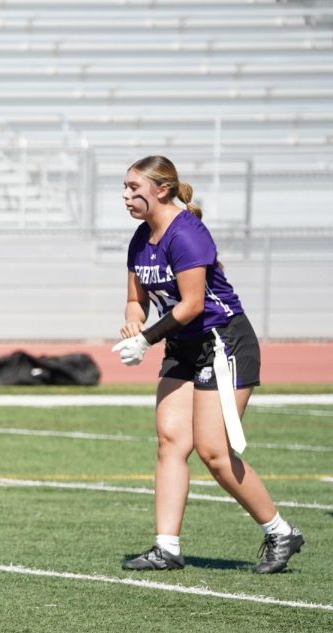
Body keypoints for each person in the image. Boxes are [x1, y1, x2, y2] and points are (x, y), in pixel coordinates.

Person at [113, 155, 303, 574]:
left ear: (161, 190)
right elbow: (135, 299)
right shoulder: (140, 239)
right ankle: (166, 547)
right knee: (170, 440)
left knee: (214, 452)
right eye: (124, 188)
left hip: (222, 343)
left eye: (133, 188)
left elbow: (194, 304)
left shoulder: (187, 234)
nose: (126, 196)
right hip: (181, 345)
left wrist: (146, 339)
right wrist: (133, 323)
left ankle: (279, 531)